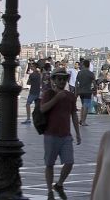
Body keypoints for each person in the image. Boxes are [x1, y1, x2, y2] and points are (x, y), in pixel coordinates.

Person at [41, 68, 82, 197]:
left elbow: (74, 114)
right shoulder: (48, 94)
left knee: (69, 162)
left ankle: (59, 184)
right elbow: (42, 109)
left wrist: (78, 133)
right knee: (49, 164)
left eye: (64, 79)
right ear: (53, 80)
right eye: (59, 79)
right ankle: (49, 191)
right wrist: (57, 98)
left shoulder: (70, 96)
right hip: (50, 134)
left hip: (65, 135)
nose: (62, 81)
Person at [75, 59, 95, 126]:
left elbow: (76, 82)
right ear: (89, 65)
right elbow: (94, 83)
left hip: (81, 91)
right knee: (86, 106)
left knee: (83, 105)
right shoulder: (91, 73)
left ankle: (81, 119)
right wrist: (95, 90)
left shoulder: (79, 72)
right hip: (87, 91)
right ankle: (83, 121)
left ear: (84, 65)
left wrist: (76, 91)